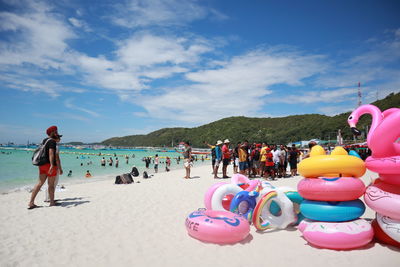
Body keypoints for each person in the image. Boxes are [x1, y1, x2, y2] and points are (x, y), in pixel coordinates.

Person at [28, 126, 62, 209]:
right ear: (53, 132)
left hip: (41, 165)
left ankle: (31, 202)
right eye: (56, 131)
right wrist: (51, 165)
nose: (57, 133)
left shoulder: (44, 140)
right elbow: (51, 153)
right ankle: (52, 202)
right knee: (51, 185)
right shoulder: (52, 142)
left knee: (39, 183)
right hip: (49, 165)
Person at [44, 135, 62, 203]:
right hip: (53, 166)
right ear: (56, 138)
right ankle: (50, 199)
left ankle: (47, 198)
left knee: (48, 183)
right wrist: (60, 168)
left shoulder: (47, 144)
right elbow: (57, 158)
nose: (60, 139)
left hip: (46, 165)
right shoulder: (56, 146)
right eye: (59, 137)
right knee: (54, 183)